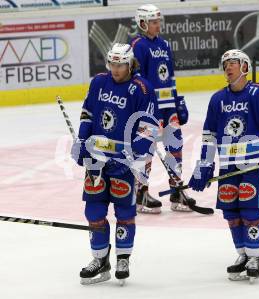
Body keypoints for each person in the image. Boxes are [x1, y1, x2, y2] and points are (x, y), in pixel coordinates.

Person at [188, 49, 259, 283]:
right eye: (225, 65)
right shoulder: (217, 99)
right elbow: (209, 136)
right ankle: (242, 254)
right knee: (231, 213)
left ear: (244, 66)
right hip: (228, 166)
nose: (228, 68)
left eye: (232, 63)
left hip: (253, 164)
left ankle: (254, 257)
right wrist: (204, 164)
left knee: (250, 210)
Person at [70, 43, 160, 285]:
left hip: (124, 162)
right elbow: (88, 113)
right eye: (112, 64)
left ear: (130, 64)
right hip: (97, 160)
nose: (115, 69)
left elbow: (149, 128)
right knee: (94, 211)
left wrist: (135, 157)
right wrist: (81, 139)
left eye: (120, 65)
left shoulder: (142, 89)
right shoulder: (99, 82)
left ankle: (122, 258)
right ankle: (100, 259)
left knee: (125, 212)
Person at [131, 4, 191, 213]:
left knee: (175, 147)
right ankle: (141, 194)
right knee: (145, 151)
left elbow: (170, 76)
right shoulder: (137, 46)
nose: (158, 25)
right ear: (143, 23)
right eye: (154, 22)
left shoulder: (164, 44)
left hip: (168, 108)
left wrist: (177, 101)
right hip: (150, 109)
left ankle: (176, 191)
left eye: (158, 21)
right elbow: (136, 80)